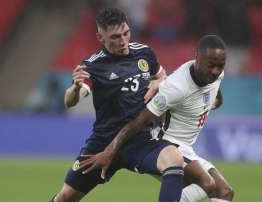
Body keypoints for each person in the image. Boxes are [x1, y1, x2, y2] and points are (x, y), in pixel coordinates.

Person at [50, 8, 184, 202]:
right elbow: (72, 101)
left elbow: (161, 75)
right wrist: (75, 88)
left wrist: (158, 82)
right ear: (100, 37)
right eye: (115, 37)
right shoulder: (93, 65)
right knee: (65, 198)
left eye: (126, 33)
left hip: (139, 139)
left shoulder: (144, 53)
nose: (123, 41)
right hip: (103, 143)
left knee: (174, 159)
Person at [79, 35, 234, 202]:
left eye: (220, 66)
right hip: (166, 144)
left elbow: (213, 93)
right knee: (207, 184)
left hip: (187, 147)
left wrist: (210, 102)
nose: (216, 71)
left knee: (224, 192)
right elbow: (140, 120)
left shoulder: (216, 75)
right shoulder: (176, 88)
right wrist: (110, 150)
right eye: (211, 66)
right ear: (197, 58)